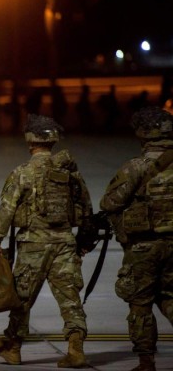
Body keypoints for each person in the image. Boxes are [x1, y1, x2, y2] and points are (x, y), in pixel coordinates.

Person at [0, 114, 93, 368]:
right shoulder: (69, 173)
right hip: (64, 244)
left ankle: (13, 347)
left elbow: (7, 209)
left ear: (30, 142)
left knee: (22, 298)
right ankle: (76, 348)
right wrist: (82, 243)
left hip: (32, 246)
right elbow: (86, 207)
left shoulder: (22, 173)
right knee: (70, 298)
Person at [99, 106, 173, 371]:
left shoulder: (136, 166)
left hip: (144, 247)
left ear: (143, 134)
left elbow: (110, 202)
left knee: (140, 302)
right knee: (169, 296)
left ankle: (146, 361)